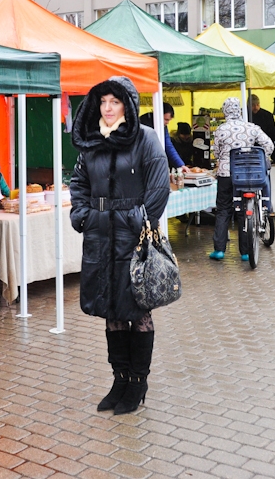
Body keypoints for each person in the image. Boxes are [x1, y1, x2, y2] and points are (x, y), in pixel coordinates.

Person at [70, 76, 170, 416]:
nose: (108, 108)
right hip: (99, 236)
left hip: (133, 238)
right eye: (103, 102)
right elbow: (79, 182)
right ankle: (119, 379)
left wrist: (139, 222)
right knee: (110, 311)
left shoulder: (145, 138)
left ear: (127, 105)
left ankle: (138, 382)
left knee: (137, 309)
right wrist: (82, 216)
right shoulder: (91, 141)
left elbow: (158, 188)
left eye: (114, 102)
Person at [211, 97, 275, 261]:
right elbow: (269, 146)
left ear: (225, 111)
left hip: (226, 174)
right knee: (243, 212)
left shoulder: (220, 130)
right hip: (248, 175)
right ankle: (246, 252)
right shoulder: (252, 128)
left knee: (223, 210)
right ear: (239, 110)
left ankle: (219, 250)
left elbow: (216, 153)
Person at [141, 104, 188, 171]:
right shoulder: (142, 123)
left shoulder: (163, 126)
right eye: (166, 119)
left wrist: (180, 165)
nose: (167, 123)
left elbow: (168, 145)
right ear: (158, 114)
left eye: (169, 120)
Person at [249, 94, 275, 164]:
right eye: (253, 105)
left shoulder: (267, 115)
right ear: (248, 105)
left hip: (265, 147)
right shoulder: (244, 115)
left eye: (257, 104)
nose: (256, 107)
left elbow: (273, 135)